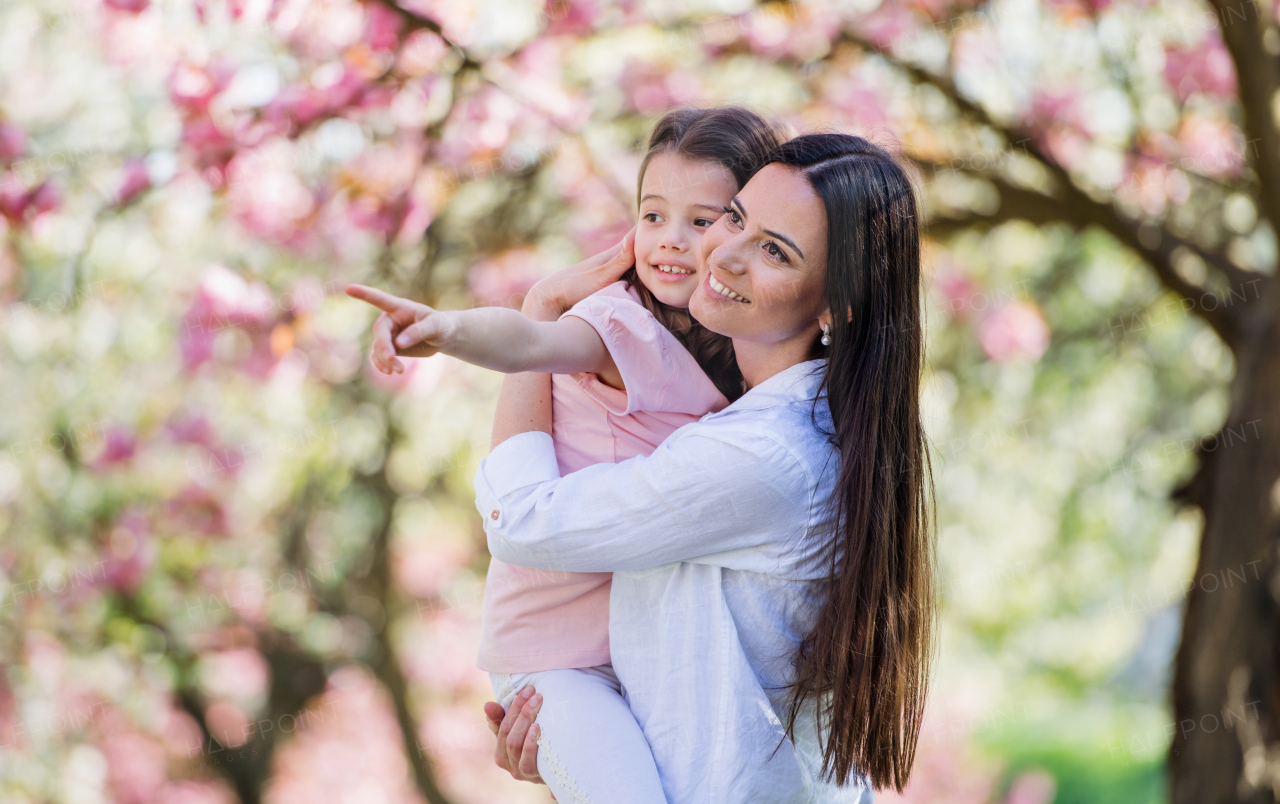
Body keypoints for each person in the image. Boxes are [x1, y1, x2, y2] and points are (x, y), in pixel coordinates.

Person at [348, 106, 789, 803]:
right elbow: (533, 343)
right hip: (557, 661)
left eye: (701, 221)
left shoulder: (742, 360)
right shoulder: (622, 322)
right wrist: (447, 329)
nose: (669, 242)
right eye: (651, 216)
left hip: (637, 658)